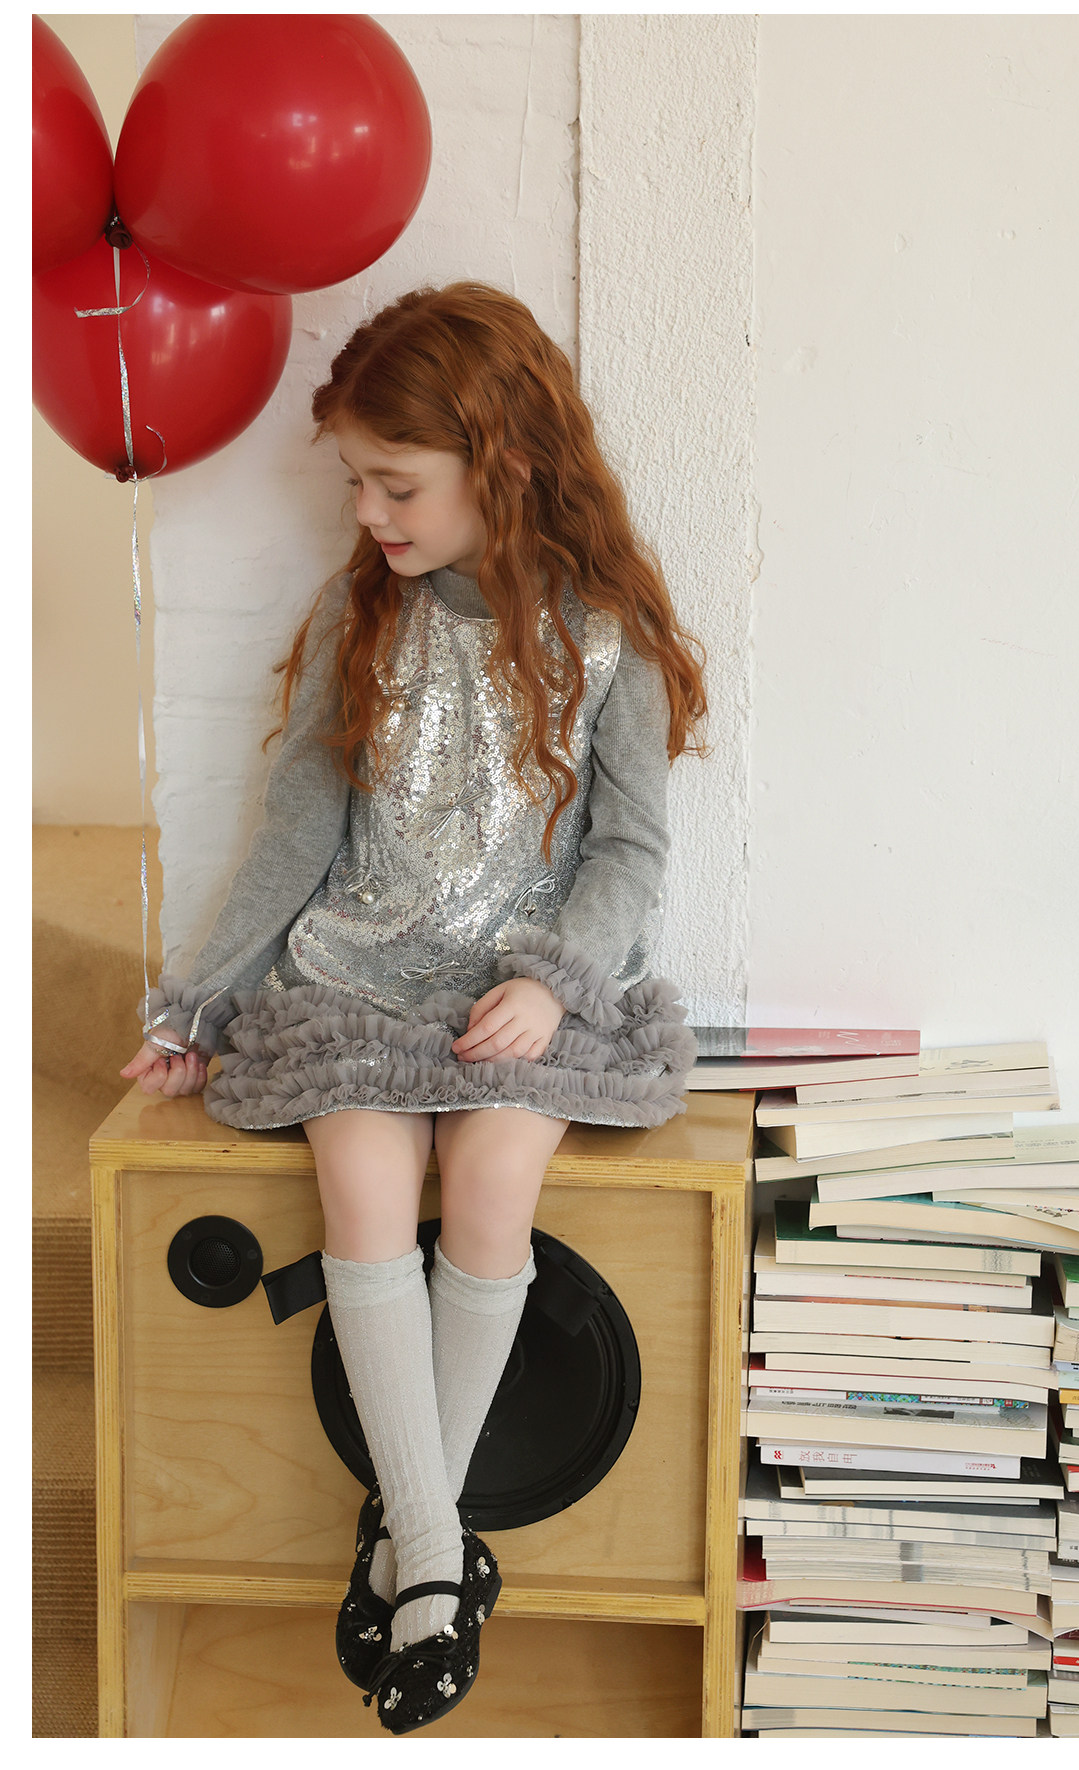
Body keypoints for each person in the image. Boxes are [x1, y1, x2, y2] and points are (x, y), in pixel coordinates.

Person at [120, 281, 707, 1734]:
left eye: (398, 482)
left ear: (503, 460)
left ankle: (403, 1544)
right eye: (356, 483)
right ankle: (437, 1558)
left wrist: (555, 979)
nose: (370, 511)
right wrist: (198, 1003)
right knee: (363, 1186)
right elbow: (294, 837)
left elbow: (631, 850)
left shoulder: (607, 634)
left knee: (494, 1181)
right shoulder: (361, 615)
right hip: (362, 980)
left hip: (525, 995)